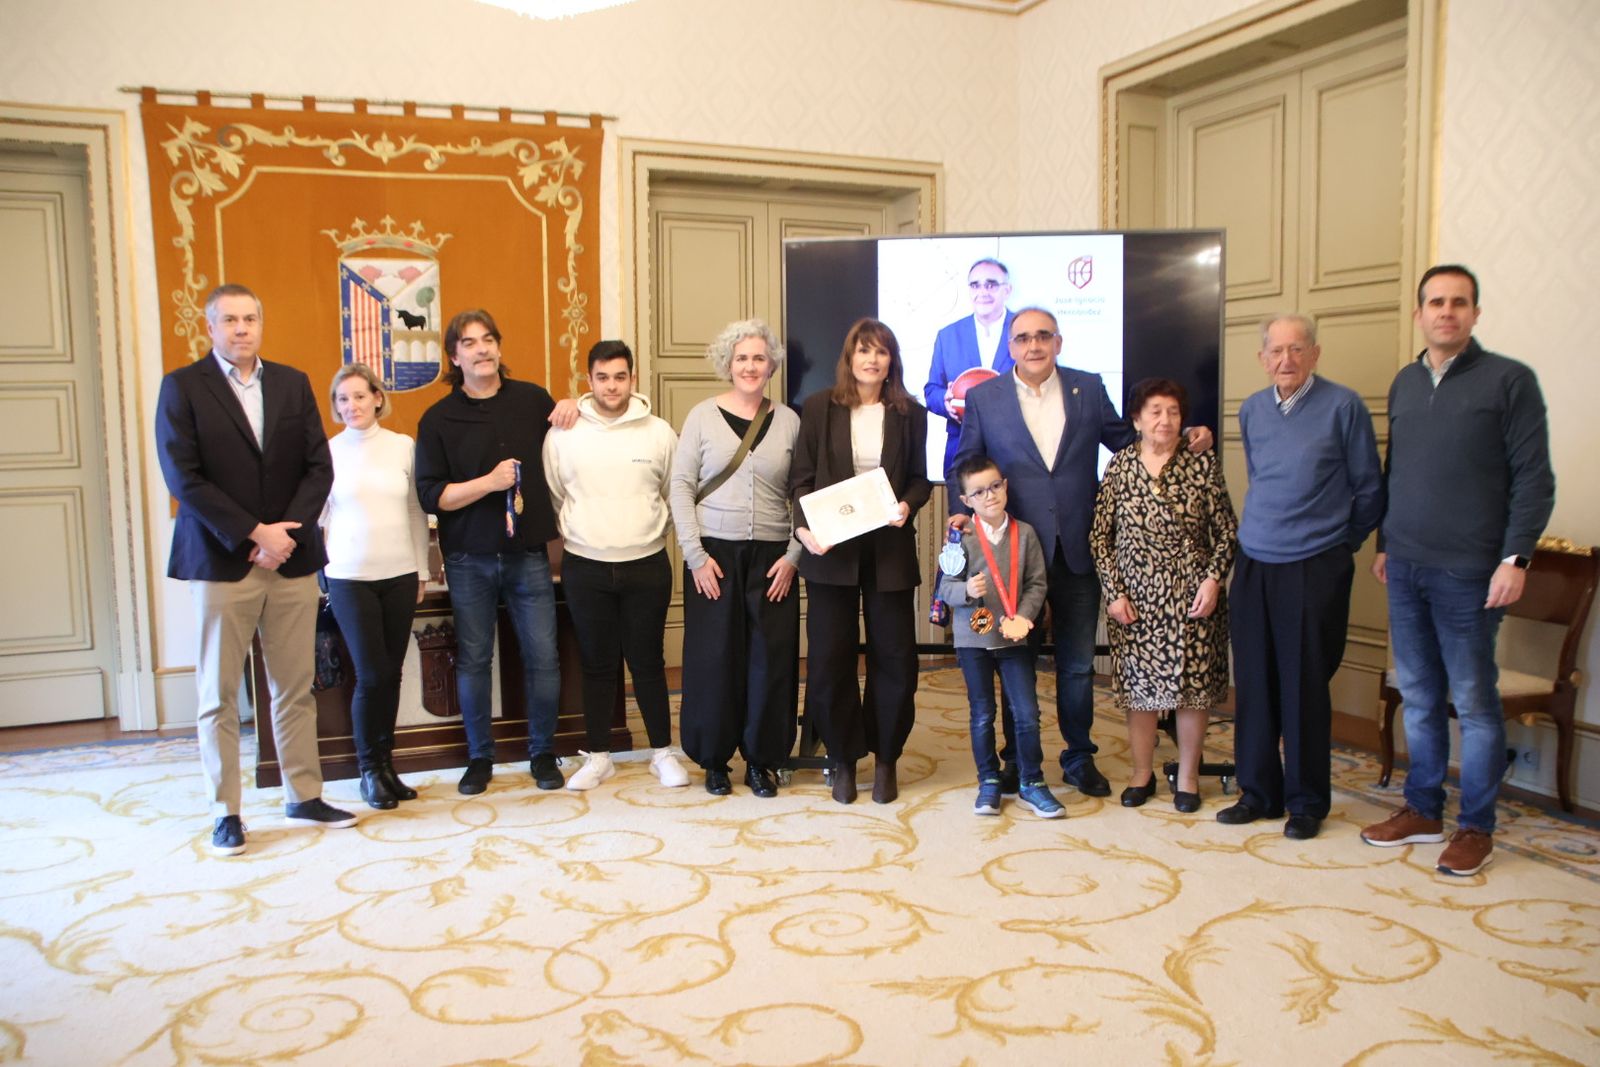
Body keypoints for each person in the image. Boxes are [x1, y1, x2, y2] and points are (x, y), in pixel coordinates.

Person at [950, 307, 1212, 799]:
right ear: (1011, 347)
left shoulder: (1087, 387)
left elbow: (1124, 439)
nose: (1034, 345)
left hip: (1077, 547)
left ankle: (1077, 757)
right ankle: (1017, 761)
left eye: (1043, 336)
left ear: (1059, 342)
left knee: (1075, 665)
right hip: (1013, 551)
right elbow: (966, 459)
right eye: (1024, 337)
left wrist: (1186, 432)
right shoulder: (984, 397)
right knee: (1013, 658)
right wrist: (961, 513)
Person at [1361, 265, 1554, 876]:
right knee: (1419, 695)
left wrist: (1515, 558)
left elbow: (1534, 480)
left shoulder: (1509, 381)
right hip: (1408, 566)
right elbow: (1398, 473)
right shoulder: (1406, 382)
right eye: (1436, 302)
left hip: (1472, 573)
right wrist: (1387, 542)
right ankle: (1422, 809)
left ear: (1474, 314)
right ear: (1419, 314)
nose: (1446, 312)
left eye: (1459, 303)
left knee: (1472, 702)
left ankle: (1476, 827)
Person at [154, 283, 355, 856]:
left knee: (295, 686)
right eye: (229, 320)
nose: (241, 329)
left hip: (289, 560)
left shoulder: (291, 383)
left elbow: (319, 467)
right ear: (210, 327)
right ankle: (227, 811)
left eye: (250, 319)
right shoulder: (184, 387)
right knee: (217, 694)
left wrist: (284, 534)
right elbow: (183, 477)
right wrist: (252, 534)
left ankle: (303, 794)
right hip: (222, 561)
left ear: (261, 325)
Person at [1216, 313, 1382, 840]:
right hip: (1256, 560)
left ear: (1314, 353)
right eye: (1275, 351)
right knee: (1256, 682)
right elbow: (1264, 480)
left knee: (1304, 684)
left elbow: (1370, 491)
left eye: (1296, 350)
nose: (1285, 360)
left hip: (1315, 563)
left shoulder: (1344, 406)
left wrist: (1339, 546)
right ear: (1263, 359)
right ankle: (1259, 793)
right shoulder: (1252, 410)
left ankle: (1307, 801)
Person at [414, 309, 566, 796]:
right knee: (475, 660)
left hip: (527, 553)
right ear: (454, 357)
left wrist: (571, 406)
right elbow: (432, 496)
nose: (481, 349)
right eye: (469, 343)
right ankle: (480, 757)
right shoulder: (437, 418)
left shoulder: (532, 400)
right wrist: (489, 483)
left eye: (488, 340)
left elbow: (572, 447)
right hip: (468, 558)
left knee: (543, 657)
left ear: (499, 347)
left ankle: (543, 753)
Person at [792, 318, 932, 805]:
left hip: (889, 550)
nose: (872, 360)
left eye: (882, 352)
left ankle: (887, 757)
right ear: (849, 358)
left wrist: (907, 506)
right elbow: (801, 480)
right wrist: (804, 530)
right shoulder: (817, 408)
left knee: (894, 657)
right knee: (830, 660)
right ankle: (843, 759)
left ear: (892, 360)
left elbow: (919, 479)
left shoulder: (911, 413)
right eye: (863, 351)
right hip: (831, 553)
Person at [544, 340, 687, 792]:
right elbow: (554, 494)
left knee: (648, 661)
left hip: (646, 562)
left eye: (620, 376)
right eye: (602, 377)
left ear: (633, 379)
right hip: (585, 565)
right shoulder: (563, 433)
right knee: (597, 663)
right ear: (589, 380)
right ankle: (599, 755)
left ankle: (662, 752)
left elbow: (672, 490)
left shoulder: (659, 433)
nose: (611, 386)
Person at [1090, 378, 1237, 813]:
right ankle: (1142, 773)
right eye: (1154, 411)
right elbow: (1100, 537)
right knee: (1140, 692)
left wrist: (1213, 580)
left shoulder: (1201, 464)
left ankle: (1188, 777)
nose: (1165, 420)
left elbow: (1227, 531)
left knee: (1192, 691)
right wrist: (1114, 593)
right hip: (1135, 600)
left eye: (1173, 411)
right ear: (1136, 419)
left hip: (1195, 598)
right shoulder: (1119, 466)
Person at [670, 320, 801, 797]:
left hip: (773, 558)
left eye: (759, 358)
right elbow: (681, 486)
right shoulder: (702, 416)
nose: (750, 366)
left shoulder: (789, 421)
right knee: (714, 658)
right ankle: (715, 760)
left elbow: (802, 494)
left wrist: (793, 557)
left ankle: (763, 760)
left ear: (771, 365)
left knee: (771, 658)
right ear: (728, 363)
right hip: (714, 557)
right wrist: (695, 556)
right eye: (741, 358)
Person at [321, 362, 430, 810]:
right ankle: (370, 770)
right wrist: (319, 574)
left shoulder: (403, 447)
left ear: (378, 398)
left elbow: (415, 512)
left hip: (401, 574)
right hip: (349, 577)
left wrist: (422, 570)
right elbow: (320, 518)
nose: (352, 406)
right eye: (343, 399)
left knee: (393, 673)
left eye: (360, 396)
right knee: (371, 675)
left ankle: (388, 767)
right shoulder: (327, 451)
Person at [939, 455, 1061, 818]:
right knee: (982, 714)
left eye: (994, 486)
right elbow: (946, 587)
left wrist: (1024, 616)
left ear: (1005, 486)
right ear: (966, 500)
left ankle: (1032, 781)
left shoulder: (1024, 534)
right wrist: (966, 592)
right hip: (972, 639)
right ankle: (989, 781)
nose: (989, 496)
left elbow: (1038, 582)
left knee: (1026, 712)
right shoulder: (960, 537)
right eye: (979, 492)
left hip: (1014, 637)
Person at [924, 258, 1017, 478]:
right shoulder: (948, 335)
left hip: (1015, 452)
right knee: (961, 514)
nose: (982, 292)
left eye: (991, 284)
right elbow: (931, 391)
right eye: (975, 285)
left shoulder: (1025, 331)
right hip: (962, 452)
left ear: (1008, 290)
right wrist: (945, 402)